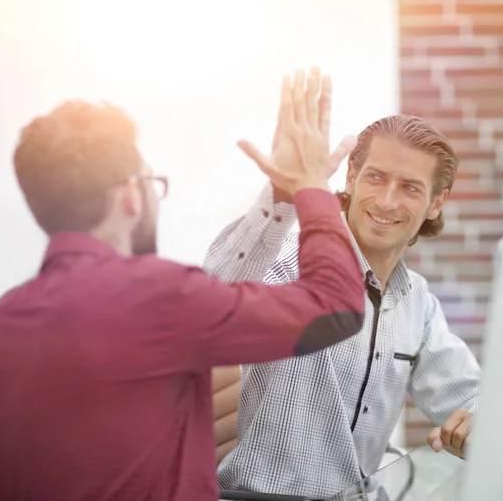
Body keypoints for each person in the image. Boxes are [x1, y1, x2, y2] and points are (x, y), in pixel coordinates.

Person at [0, 68, 366, 501]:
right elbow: (336, 306)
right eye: (152, 185)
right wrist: (311, 184)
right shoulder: (159, 297)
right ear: (131, 195)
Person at [205, 114, 482, 499]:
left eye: (409, 188)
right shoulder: (292, 265)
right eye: (376, 177)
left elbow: (468, 397)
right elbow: (210, 299)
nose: (387, 200)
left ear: (437, 202)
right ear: (351, 177)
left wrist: (479, 421)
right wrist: (283, 193)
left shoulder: (416, 301)